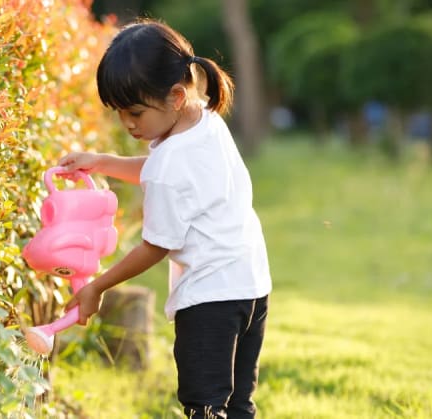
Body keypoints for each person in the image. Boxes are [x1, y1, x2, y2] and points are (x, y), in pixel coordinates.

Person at [58, 20, 272, 419]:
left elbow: (155, 245)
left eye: (134, 112)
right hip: (251, 287)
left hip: (209, 299)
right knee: (238, 406)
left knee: (204, 408)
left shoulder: (169, 162)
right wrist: (101, 162)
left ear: (175, 95)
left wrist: (98, 286)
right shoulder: (206, 120)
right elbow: (165, 171)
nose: (127, 123)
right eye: (119, 113)